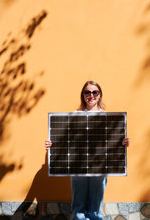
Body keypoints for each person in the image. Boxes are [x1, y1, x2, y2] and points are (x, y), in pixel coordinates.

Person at [45, 81, 130, 220]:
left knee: (96, 208)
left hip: (100, 166)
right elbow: (65, 139)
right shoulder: (74, 115)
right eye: (87, 92)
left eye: (94, 92)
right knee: (78, 207)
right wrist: (52, 144)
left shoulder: (107, 117)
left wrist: (123, 142)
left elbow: (112, 142)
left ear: (100, 95)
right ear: (83, 96)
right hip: (78, 166)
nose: (91, 95)